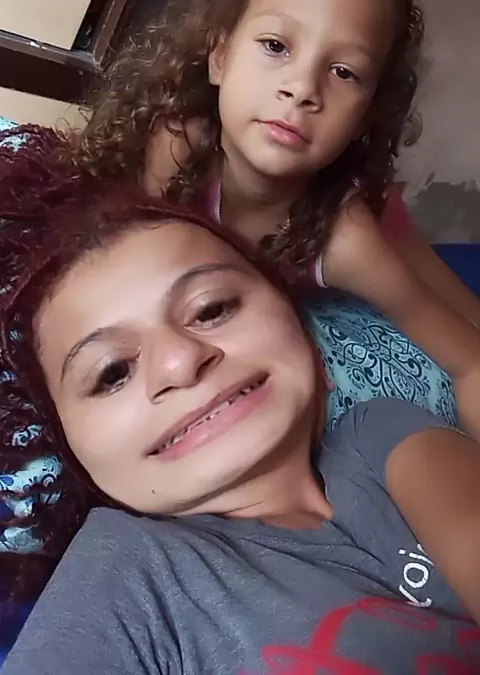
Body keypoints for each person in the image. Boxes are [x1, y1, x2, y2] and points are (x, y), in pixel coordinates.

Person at [2, 127, 480, 674]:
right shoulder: (120, 577)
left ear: (302, 333)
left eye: (212, 309)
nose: (181, 361)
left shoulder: (383, 435)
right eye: (111, 372)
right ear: (72, 450)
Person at [77, 0, 480, 433]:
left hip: (376, 219)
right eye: (276, 46)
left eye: (343, 72)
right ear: (220, 57)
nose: (302, 88)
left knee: (460, 306)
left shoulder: (347, 242)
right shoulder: (179, 149)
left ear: (366, 116)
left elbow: (468, 361)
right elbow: (138, 270)